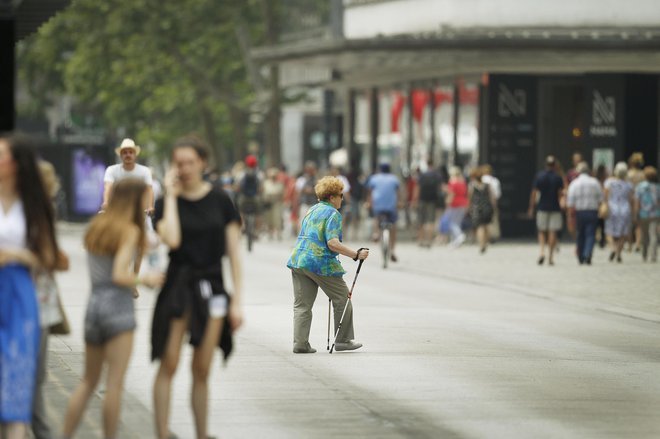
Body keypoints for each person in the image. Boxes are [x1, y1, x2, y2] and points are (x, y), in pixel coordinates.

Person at [151, 135, 243, 439]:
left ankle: (202, 434)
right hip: (178, 284)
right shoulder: (166, 203)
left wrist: (237, 301)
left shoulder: (221, 201)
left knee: (202, 367)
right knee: (170, 361)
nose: (185, 168)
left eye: (190, 162)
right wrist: (172, 196)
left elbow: (234, 254)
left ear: (203, 162)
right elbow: (173, 239)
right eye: (179, 163)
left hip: (212, 286)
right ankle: (162, 433)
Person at [62, 179, 163, 439]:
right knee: (114, 385)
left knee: (87, 382)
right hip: (117, 309)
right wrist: (145, 279)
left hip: (93, 307)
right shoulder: (128, 230)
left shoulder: (97, 227)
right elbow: (119, 274)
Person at [0, 133, 59, 439]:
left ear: (15, 163)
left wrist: (16, 254)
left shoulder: (34, 205)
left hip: (20, 291)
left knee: (17, 385)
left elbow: (49, 257)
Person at [287, 176, 369, 354]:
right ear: (331, 197)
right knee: (342, 298)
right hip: (319, 262)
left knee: (302, 305)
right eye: (340, 195)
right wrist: (355, 255)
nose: (342, 198)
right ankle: (343, 340)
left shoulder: (312, 210)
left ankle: (300, 343)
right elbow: (332, 243)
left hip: (299, 260)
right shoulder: (333, 214)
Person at [32, 161, 69, 439]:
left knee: (37, 372)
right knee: (34, 372)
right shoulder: (32, 213)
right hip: (28, 301)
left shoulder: (45, 212)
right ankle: (42, 429)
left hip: (41, 301)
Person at [528, 156, 565, 265]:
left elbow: (534, 192)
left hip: (542, 207)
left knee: (541, 231)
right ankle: (551, 257)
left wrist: (531, 207)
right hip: (555, 207)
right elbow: (560, 193)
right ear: (554, 165)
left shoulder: (539, 176)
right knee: (552, 231)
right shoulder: (558, 178)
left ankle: (542, 252)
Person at [102, 138, 154, 213]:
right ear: (121, 155)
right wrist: (106, 203)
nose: (128, 155)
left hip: (139, 210)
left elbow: (149, 189)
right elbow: (108, 187)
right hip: (118, 209)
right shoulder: (111, 170)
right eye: (125, 153)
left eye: (130, 152)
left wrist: (150, 207)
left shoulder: (145, 171)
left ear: (135, 155)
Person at [567, 162, 603, 265]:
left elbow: (570, 201)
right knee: (591, 234)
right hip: (592, 211)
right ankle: (588, 254)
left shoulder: (574, 183)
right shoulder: (594, 182)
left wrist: (570, 215)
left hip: (579, 212)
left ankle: (580, 255)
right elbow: (600, 198)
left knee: (580, 234)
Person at [366, 163, 400, 261]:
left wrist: (369, 203)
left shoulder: (374, 178)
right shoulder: (394, 179)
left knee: (376, 218)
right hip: (391, 207)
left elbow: (370, 192)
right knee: (393, 226)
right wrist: (400, 203)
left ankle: (376, 233)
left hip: (378, 206)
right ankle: (392, 250)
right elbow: (398, 193)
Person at [603, 162, 633, 263]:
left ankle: (613, 248)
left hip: (612, 208)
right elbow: (630, 199)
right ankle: (619, 253)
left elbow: (605, 197)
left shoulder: (609, 182)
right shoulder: (629, 184)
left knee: (609, 231)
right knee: (622, 233)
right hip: (625, 209)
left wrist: (605, 206)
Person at [413, 160, 444, 248]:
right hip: (432, 200)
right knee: (431, 221)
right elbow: (440, 188)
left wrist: (415, 200)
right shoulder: (437, 175)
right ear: (433, 164)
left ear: (426, 164)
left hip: (422, 199)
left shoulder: (422, 175)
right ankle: (429, 241)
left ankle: (420, 240)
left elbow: (417, 187)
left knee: (421, 221)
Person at [634, 166, 660, 262]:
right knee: (654, 234)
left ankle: (644, 254)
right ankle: (653, 255)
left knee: (644, 235)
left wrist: (636, 212)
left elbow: (637, 201)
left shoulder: (640, 186)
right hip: (655, 213)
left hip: (643, 213)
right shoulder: (657, 187)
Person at [468, 167, 496, 253]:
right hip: (486, 207)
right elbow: (492, 197)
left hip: (477, 208)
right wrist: (494, 207)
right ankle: (485, 243)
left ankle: (481, 244)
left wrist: (469, 208)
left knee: (479, 227)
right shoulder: (487, 185)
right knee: (486, 226)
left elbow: (470, 197)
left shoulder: (472, 185)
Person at [445, 166, 469, 247]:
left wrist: (448, 203)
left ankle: (459, 236)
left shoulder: (452, 182)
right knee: (457, 223)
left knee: (452, 223)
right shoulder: (463, 182)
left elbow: (451, 194)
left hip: (454, 204)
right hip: (463, 203)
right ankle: (455, 241)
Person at [627, 152, 646, 252]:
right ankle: (638, 243)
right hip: (641, 200)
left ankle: (630, 245)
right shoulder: (643, 174)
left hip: (630, 199)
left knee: (629, 224)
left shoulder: (629, 174)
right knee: (639, 223)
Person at [262, 167, 285, 240]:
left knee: (277, 218)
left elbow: (282, 194)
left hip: (277, 203)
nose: (273, 177)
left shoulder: (280, 184)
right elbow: (264, 192)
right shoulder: (266, 183)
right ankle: (270, 233)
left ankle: (279, 233)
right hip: (268, 203)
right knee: (269, 219)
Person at [481, 164, 501, 242]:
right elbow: (497, 195)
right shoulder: (495, 181)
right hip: (491, 203)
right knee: (492, 220)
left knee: (482, 221)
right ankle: (491, 236)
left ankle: (484, 237)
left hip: (481, 203)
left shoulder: (480, 180)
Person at [565, 152, 583, 240]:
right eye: (576, 160)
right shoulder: (570, 173)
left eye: (579, 160)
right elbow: (566, 186)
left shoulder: (585, 173)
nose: (577, 162)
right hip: (572, 202)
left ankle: (580, 240)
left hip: (583, 202)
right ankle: (576, 239)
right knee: (571, 224)